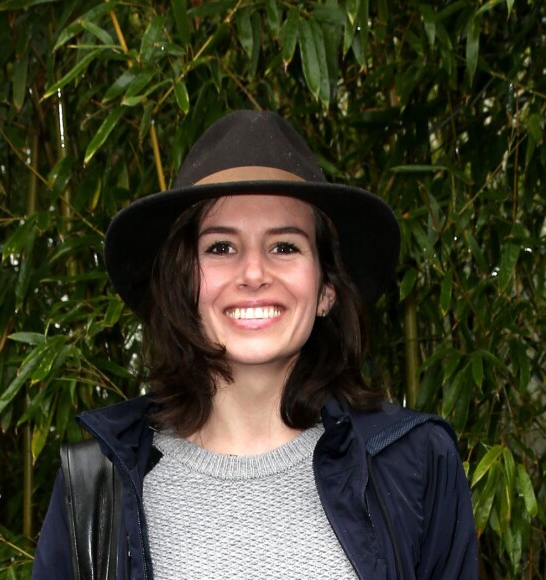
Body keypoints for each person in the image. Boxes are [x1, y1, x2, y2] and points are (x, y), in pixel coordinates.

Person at [33, 110, 478, 579]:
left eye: (284, 247)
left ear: (327, 288)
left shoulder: (413, 465)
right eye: (220, 248)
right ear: (183, 283)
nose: (253, 274)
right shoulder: (97, 486)